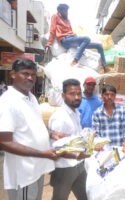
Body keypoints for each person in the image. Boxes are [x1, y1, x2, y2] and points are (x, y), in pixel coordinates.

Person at [0, 58, 57, 200]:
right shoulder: (8, 101)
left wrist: (52, 134)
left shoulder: (31, 97)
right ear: (13, 74)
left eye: (33, 75)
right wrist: (42, 154)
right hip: (24, 172)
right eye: (25, 74)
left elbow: (33, 125)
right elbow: (4, 142)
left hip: (37, 167)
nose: (30, 78)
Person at [48, 78, 90, 200]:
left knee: (86, 196)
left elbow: (76, 138)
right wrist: (78, 155)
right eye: (72, 94)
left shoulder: (76, 113)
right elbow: (57, 150)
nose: (76, 97)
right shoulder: (60, 117)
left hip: (79, 166)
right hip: (64, 168)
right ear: (63, 95)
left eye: (78, 93)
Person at [46, 4, 110, 72]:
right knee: (86, 38)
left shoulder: (67, 20)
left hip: (72, 38)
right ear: (60, 11)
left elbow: (70, 32)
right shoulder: (55, 16)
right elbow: (52, 30)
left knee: (99, 45)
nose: (67, 12)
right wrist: (49, 43)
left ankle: (105, 66)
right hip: (65, 40)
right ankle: (75, 60)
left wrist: (77, 38)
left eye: (67, 10)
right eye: (65, 10)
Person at [92, 85, 125, 154]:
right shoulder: (97, 112)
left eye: (112, 95)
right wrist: (98, 144)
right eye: (106, 94)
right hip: (104, 150)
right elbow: (95, 133)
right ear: (102, 95)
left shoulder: (122, 110)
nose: (109, 97)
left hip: (120, 148)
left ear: (115, 96)